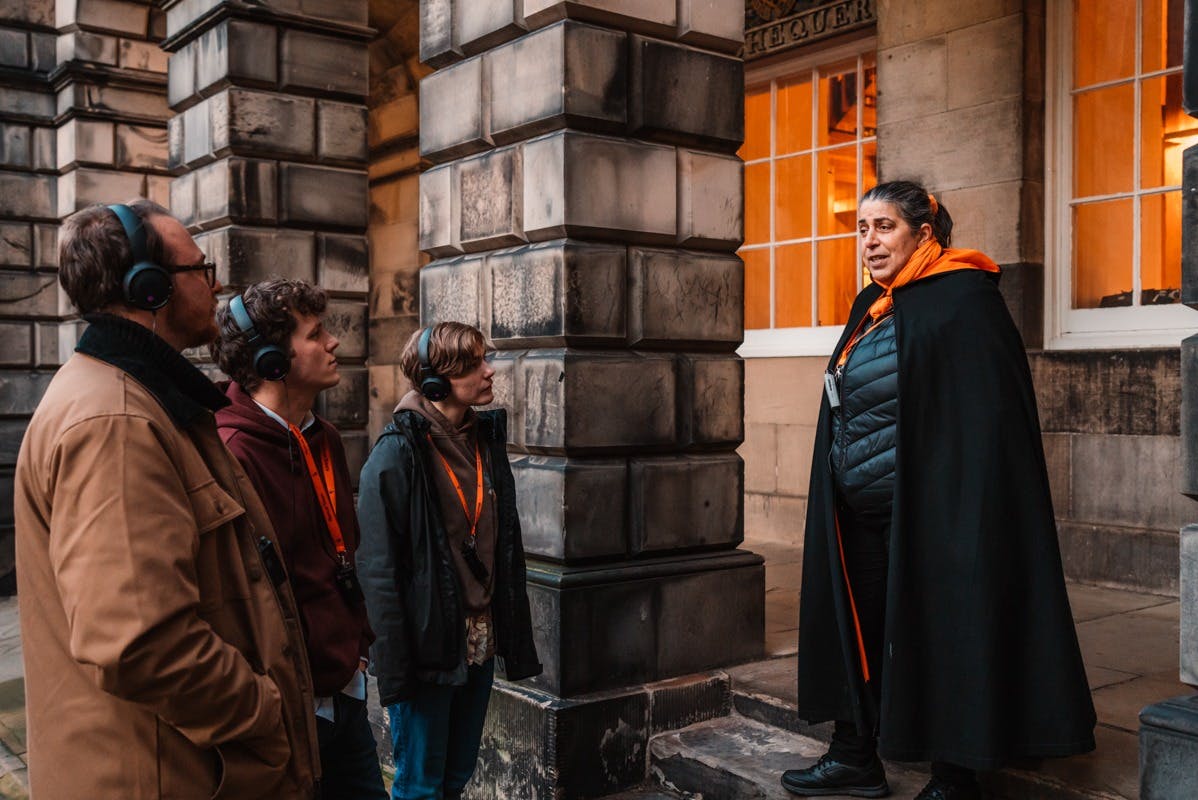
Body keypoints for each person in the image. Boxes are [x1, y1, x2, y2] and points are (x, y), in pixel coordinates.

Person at [782, 181, 1096, 800]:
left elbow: (987, 422)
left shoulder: (963, 300)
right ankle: (853, 757)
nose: (869, 241)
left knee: (951, 629)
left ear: (924, 234)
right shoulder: (875, 303)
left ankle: (955, 777)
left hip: (935, 511)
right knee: (858, 628)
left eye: (885, 227)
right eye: (863, 228)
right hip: (861, 511)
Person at [14, 201, 320, 798]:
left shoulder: (131, 398)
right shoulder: (115, 420)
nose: (216, 284)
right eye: (201, 270)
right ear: (149, 289)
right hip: (161, 773)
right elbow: (138, 641)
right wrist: (264, 714)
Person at [211, 278, 386, 799]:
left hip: (346, 692)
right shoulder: (232, 451)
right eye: (316, 333)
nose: (334, 342)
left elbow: (343, 552)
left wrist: (357, 649)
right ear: (271, 359)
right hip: (287, 707)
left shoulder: (324, 436)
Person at [356, 322, 542, 800]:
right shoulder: (396, 453)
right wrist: (394, 671)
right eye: (475, 363)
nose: (489, 371)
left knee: (456, 777)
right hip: (425, 650)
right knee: (420, 787)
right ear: (438, 380)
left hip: (477, 642)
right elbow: (377, 571)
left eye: (486, 360)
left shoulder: (483, 439)